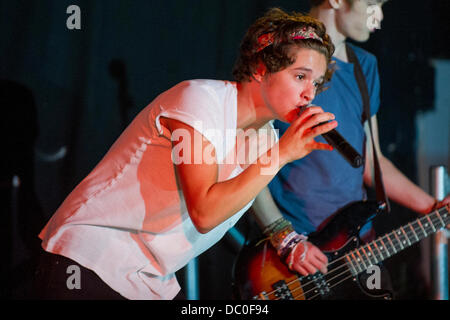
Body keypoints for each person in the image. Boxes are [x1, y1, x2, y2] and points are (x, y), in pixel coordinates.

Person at [34, 8, 338, 300]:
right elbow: (204, 213)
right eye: (301, 76)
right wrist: (282, 154)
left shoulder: (267, 138)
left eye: (316, 83)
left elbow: (242, 190)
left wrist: (284, 232)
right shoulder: (199, 100)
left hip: (151, 279)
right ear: (262, 68)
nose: (309, 93)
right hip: (94, 260)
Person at [251, 0, 450, 291]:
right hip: (294, 255)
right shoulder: (280, 55)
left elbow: (370, 160)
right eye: (372, 5)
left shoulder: (364, 66)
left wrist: (434, 207)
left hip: (359, 245)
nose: (380, 18)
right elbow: (243, 157)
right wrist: (285, 239)